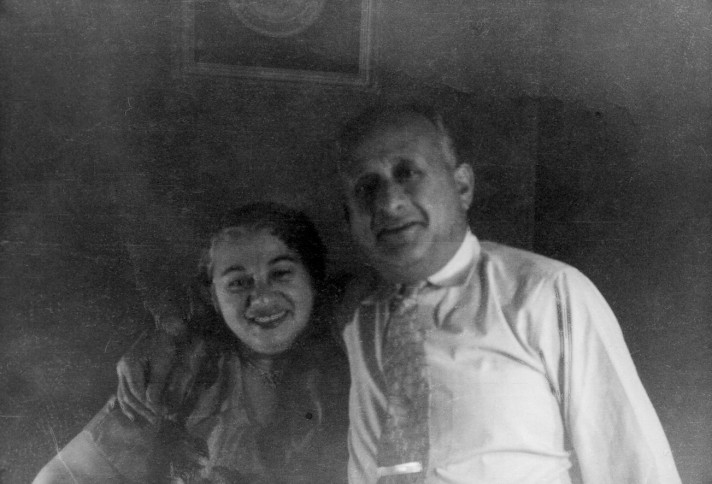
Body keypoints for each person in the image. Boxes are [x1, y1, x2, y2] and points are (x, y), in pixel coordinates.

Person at [113, 104, 682, 483]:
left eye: (408, 173)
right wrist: (165, 337)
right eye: (367, 188)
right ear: (350, 217)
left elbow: (635, 466)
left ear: (462, 186)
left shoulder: (546, 295)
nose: (388, 203)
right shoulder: (355, 311)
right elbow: (261, 306)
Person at [33, 203, 350, 484]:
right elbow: (62, 477)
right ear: (214, 296)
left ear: (312, 278)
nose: (262, 298)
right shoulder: (182, 370)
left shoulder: (353, 361)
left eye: (280, 274)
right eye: (238, 282)